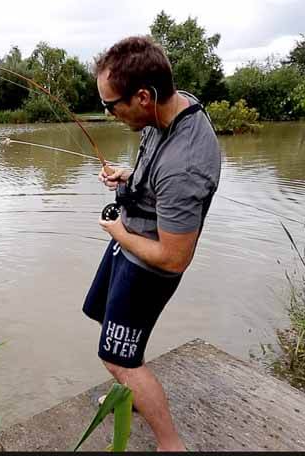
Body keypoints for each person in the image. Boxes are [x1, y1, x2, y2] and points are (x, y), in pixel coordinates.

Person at [83, 36, 221, 451]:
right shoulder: (169, 109)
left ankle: (170, 443)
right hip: (129, 244)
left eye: (112, 105)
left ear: (144, 96)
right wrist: (131, 175)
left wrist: (118, 232)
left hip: (148, 265)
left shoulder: (185, 164)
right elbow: (157, 175)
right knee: (104, 320)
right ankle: (132, 391)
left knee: (117, 356)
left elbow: (175, 258)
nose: (109, 114)